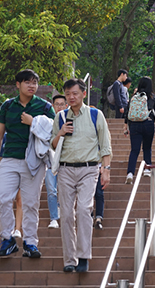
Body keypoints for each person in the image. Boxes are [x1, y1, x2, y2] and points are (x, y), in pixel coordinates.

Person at [51, 78, 112, 272]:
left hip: (89, 168)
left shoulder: (96, 114)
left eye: (75, 93)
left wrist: (106, 169)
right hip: (65, 169)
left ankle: (83, 256)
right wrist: (60, 133)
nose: (71, 97)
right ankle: (70, 259)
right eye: (68, 94)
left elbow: (105, 144)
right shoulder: (60, 117)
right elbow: (52, 145)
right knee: (67, 214)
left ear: (84, 94)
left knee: (84, 209)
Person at [0, 69, 55, 258]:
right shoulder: (7, 106)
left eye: (34, 82)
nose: (32, 86)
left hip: (34, 161)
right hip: (9, 158)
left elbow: (55, 133)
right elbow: (0, 135)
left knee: (31, 203)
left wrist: (34, 123)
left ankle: (30, 243)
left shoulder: (45, 107)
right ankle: (7, 238)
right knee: (3, 198)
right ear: (18, 85)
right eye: (27, 82)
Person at [124, 76, 155, 183]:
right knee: (147, 148)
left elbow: (128, 112)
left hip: (134, 125)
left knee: (134, 150)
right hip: (148, 124)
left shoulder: (134, 97)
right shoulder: (152, 97)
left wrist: (125, 125)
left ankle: (130, 173)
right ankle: (147, 169)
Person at [46, 94, 68, 229]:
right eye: (56, 104)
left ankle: (62, 210)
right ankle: (53, 218)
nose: (59, 107)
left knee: (64, 190)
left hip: (65, 161)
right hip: (49, 160)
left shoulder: (69, 119)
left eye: (62, 104)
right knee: (51, 190)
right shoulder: (47, 121)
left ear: (66, 106)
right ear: (52, 106)